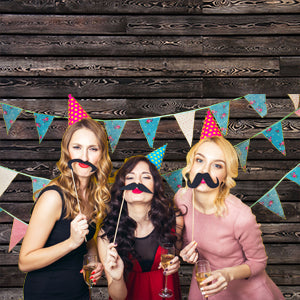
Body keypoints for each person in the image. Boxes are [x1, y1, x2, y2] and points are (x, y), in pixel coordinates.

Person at [176, 136, 284, 300]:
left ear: (226, 175)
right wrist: (185, 252)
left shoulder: (241, 216)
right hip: (205, 286)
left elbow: (258, 262)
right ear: (190, 165)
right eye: (199, 160)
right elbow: (182, 238)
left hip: (246, 292)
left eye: (217, 165)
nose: (204, 170)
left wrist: (227, 274)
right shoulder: (181, 199)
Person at [19, 118, 112, 300]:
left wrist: (93, 260)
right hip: (47, 293)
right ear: (67, 152)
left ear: (101, 155)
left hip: (79, 292)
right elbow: (25, 261)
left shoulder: (94, 194)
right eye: (77, 147)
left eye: (93, 149)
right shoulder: (53, 197)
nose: (84, 157)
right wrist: (71, 242)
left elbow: (87, 237)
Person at [98, 155, 183, 300]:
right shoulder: (108, 233)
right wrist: (117, 278)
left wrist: (178, 260)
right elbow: (118, 297)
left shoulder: (174, 219)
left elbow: (180, 251)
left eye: (146, 177)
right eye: (130, 178)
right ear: (122, 187)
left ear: (155, 186)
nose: (137, 182)